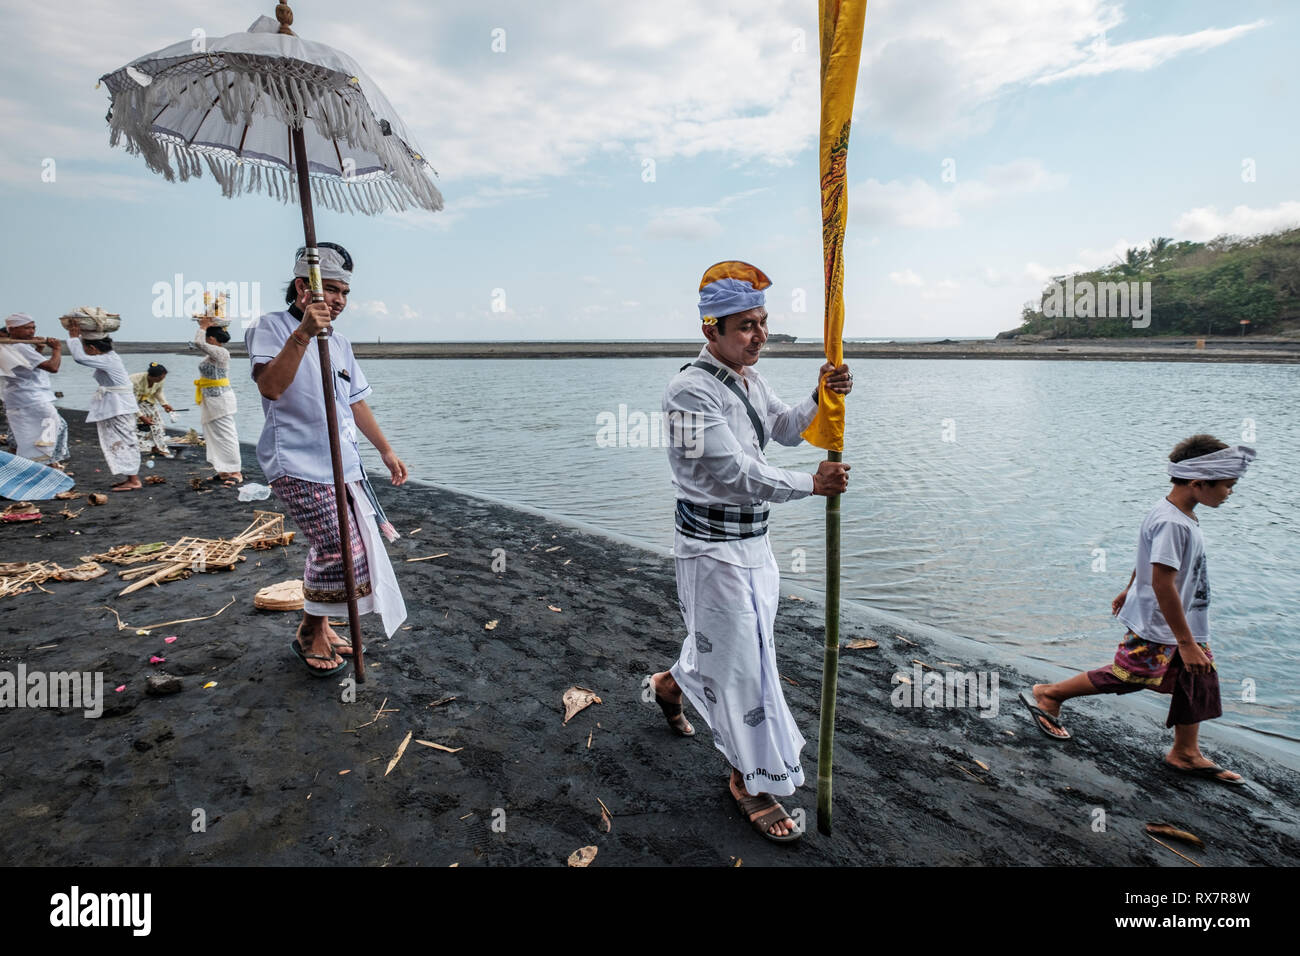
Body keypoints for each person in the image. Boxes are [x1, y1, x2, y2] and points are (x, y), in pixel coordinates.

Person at [649, 260, 852, 843]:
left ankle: (670, 684)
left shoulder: (750, 380)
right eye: (745, 327)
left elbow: (787, 429)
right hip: (710, 551)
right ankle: (748, 780)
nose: (758, 336)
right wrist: (810, 484)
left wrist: (821, 396)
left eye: (762, 323)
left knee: (743, 650)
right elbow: (732, 473)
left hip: (755, 546)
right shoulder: (687, 390)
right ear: (710, 330)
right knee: (745, 668)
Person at [1020, 435, 1256, 786]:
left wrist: (1130, 587)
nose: (1230, 493)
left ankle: (1185, 753)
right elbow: (1162, 582)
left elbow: (1150, 562)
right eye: (1227, 485)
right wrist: (1185, 642)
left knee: (1198, 676)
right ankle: (1049, 694)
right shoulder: (1174, 523)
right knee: (1130, 675)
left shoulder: (1173, 511)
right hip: (1161, 623)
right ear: (1198, 482)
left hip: (1183, 620)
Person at [245, 243, 408, 676]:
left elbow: (355, 403)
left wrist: (386, 450)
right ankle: (308, 632)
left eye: (344, 293)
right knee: (337, 545)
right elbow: (271, 388)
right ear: (303, 288)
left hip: (342, 464)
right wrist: (302, 334)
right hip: (294, 462)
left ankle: (316, 626)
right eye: (330, 290)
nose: (338, 301)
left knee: (340, 545)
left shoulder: (339, 343)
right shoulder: (271, 328)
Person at [66, 326, 141, 491]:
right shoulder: (108, 357)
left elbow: (79, 358)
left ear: (92, 348)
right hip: (117, 403)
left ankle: (134, 479)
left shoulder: (108, 359)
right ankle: (129, 477)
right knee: (117, 439)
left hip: (120, 405)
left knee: (125, 439)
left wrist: (72, 338)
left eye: (86, 347)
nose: (85, 350)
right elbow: (82, 356)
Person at [0, 313, 70, 470]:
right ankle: (42, 464)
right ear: (12, 329)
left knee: (29, 435)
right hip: (30, 397)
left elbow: (28, 368)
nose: (31, 332)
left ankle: (35, 466)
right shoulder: (19, 347)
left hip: (22, 397)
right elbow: (53, 367)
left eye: (33, 328)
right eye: (26, 328)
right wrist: (57, 349)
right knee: (50, 427)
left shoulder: (15, 346)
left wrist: (38, 348)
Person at [192, 317, 241, 485]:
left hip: (221, 400)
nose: (205, 340)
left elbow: (198, 343)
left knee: (227, 435)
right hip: (210, 400)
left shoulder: (222, 352)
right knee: (214, 436)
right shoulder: (210, 355)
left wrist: (203, 326)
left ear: (211, 339)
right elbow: (200, 344)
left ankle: (236, 471)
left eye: (207, 337)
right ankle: (223, 470)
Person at [130, 362, 174, 458]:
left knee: (158, 424)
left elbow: (158, 392)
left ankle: (158, 448)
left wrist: (165, 404)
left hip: (148, 402)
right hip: (132, 403)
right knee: (135, 427)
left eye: (163, 377)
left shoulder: (160, 380)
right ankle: (130, 449)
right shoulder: (135, 380)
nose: (162, 380)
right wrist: (141, 416)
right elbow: (131, 402)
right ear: (151, 376)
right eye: (160, 378)